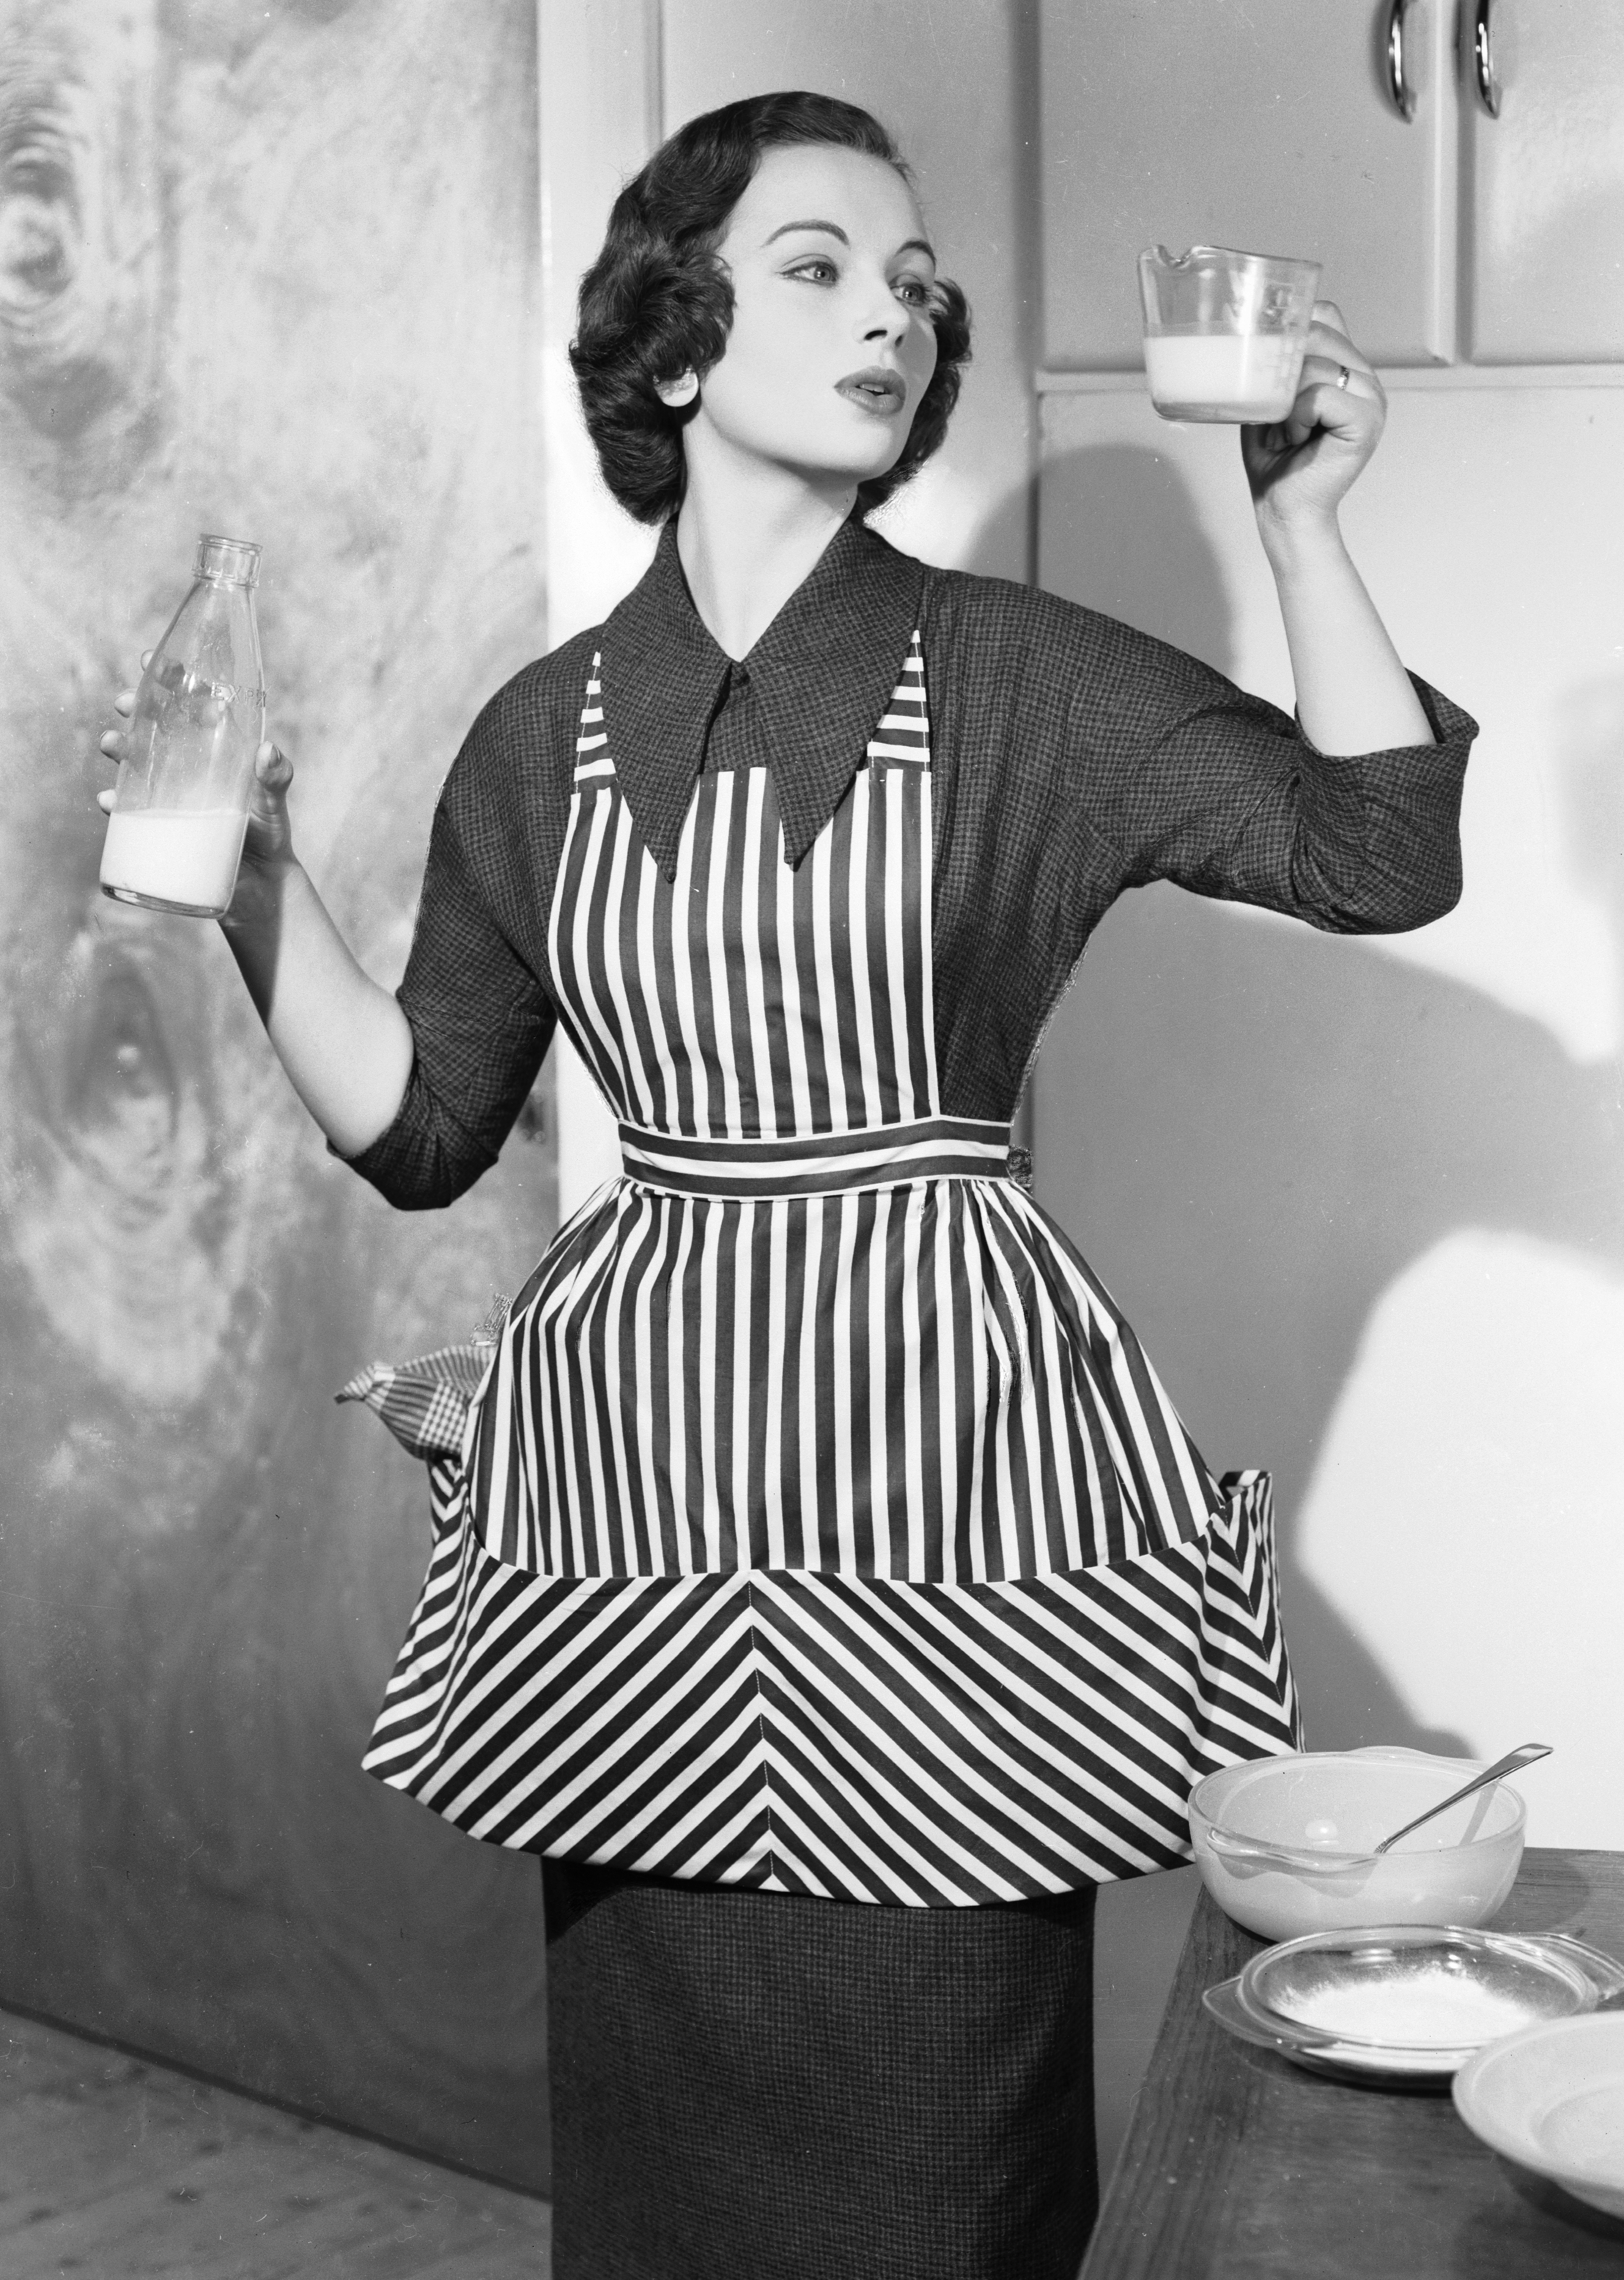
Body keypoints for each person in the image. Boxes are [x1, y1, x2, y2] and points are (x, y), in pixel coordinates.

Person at [100, 89, 1475, 2280]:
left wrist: (1301, 525)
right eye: (819, 268)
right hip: (636, 1539)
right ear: (673, 346)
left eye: (913, 286)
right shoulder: (542, 734)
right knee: (668, 2194)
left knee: (936, 2167)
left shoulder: (1015, 678)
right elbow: (428, 1123)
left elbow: (1377, 850)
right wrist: (258, 885)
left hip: (943, 1531)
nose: (891, 320)